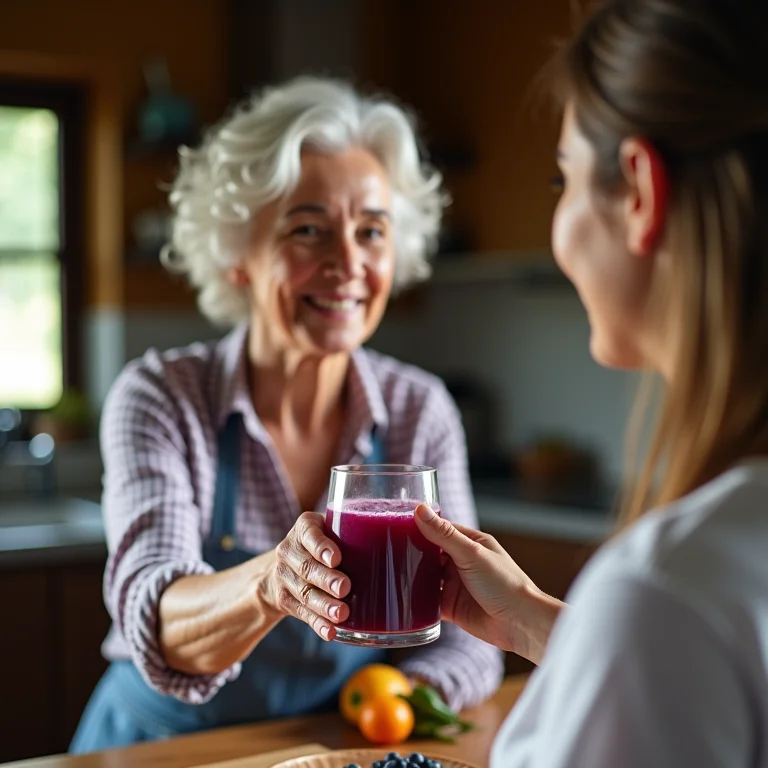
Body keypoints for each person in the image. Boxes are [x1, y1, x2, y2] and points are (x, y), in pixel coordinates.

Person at [270, 0, 768, 765]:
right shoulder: (695, 578)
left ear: (639, 191)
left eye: (562, 177)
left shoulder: (662, 588)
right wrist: (533, 620)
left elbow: (666, 645)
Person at [69, 77, 503, 752]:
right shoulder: (161, 397)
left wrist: (401, 699)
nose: (348, 263)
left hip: (328, 747)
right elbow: (152, 615)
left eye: (371, 231)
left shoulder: (419, 410)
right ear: (238, 255)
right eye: (308, 230)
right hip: (158, 747)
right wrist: (273, 581)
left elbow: (467, 633)